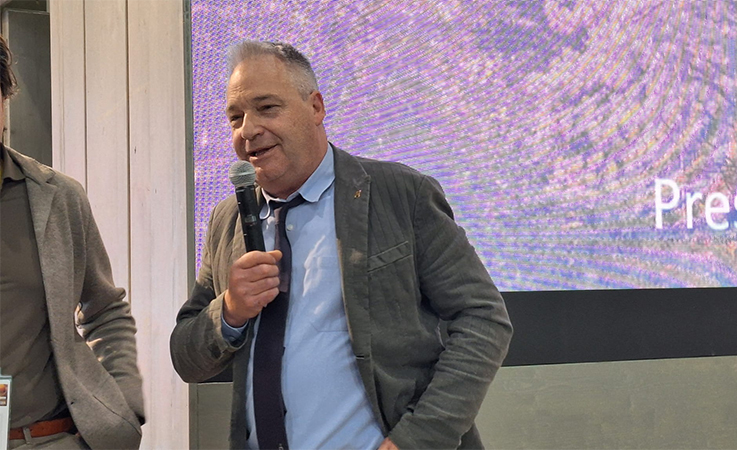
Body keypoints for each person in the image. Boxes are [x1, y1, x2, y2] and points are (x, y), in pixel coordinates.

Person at [170, 40, 512, 450]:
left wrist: (420, 439)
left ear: (315, 107)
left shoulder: (401, 194)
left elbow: (483, 319)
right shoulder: (228, 220)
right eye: (235, 117)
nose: (248, 130)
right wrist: (229, 311)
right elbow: (186, 358)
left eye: (267, 108)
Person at [0, 35, 144, 449]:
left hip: (49, 438)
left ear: (5, 98)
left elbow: (105, 309)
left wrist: (124, 408)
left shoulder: (56, 196)